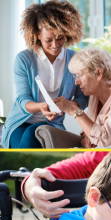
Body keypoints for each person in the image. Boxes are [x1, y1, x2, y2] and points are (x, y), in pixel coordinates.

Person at [2, 0, 88, 148]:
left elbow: (83, 98)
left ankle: (23, 170)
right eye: (48, 40)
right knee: (30, 132)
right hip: (20, 123)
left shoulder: (76, 60)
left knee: (33, 133)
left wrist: (68, 105)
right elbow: (23, 100)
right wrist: (41, 106)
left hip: (52, 124)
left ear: (67, 34)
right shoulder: (24, 59)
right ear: (37, 35)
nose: (55, 45)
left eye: (60, 37)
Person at [52, 48, 111, 148]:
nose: (76, 82)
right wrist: (88, 139)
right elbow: (90, 133)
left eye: (80, 75)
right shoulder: (95, 94)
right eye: (75, 76)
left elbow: (104, 141)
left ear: (98, 73)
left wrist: (74, 110)